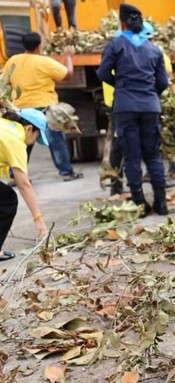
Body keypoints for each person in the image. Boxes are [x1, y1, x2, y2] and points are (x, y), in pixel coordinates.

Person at [97, 4, 170, 216]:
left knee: (132, 155)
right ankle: (161, 202)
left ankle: (140, 203)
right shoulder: (154, 49)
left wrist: (120, 84)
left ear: (122, 23)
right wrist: (149, 93)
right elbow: (163, 82)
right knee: (153, 154)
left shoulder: (115, 45)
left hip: (125, 106)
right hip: (150, 106)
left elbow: (102, 73)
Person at [2, 32, 84, 182]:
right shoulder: (45, 62)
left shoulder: (13, 61)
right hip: (44, 108)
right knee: (56, 141)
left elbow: (5, 81)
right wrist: (68, 57)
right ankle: (66, 172)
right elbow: (68, 74)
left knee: (22, 143)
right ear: (39, 46)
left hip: (21, 109)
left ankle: (15, 176)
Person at [0, 109, 49, 261]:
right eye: (37, 136)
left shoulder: (5, 125)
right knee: (8, 200)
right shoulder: (16, 141)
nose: (34, 141)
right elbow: (23, 185)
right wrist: (38, 218)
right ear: (29, 129)